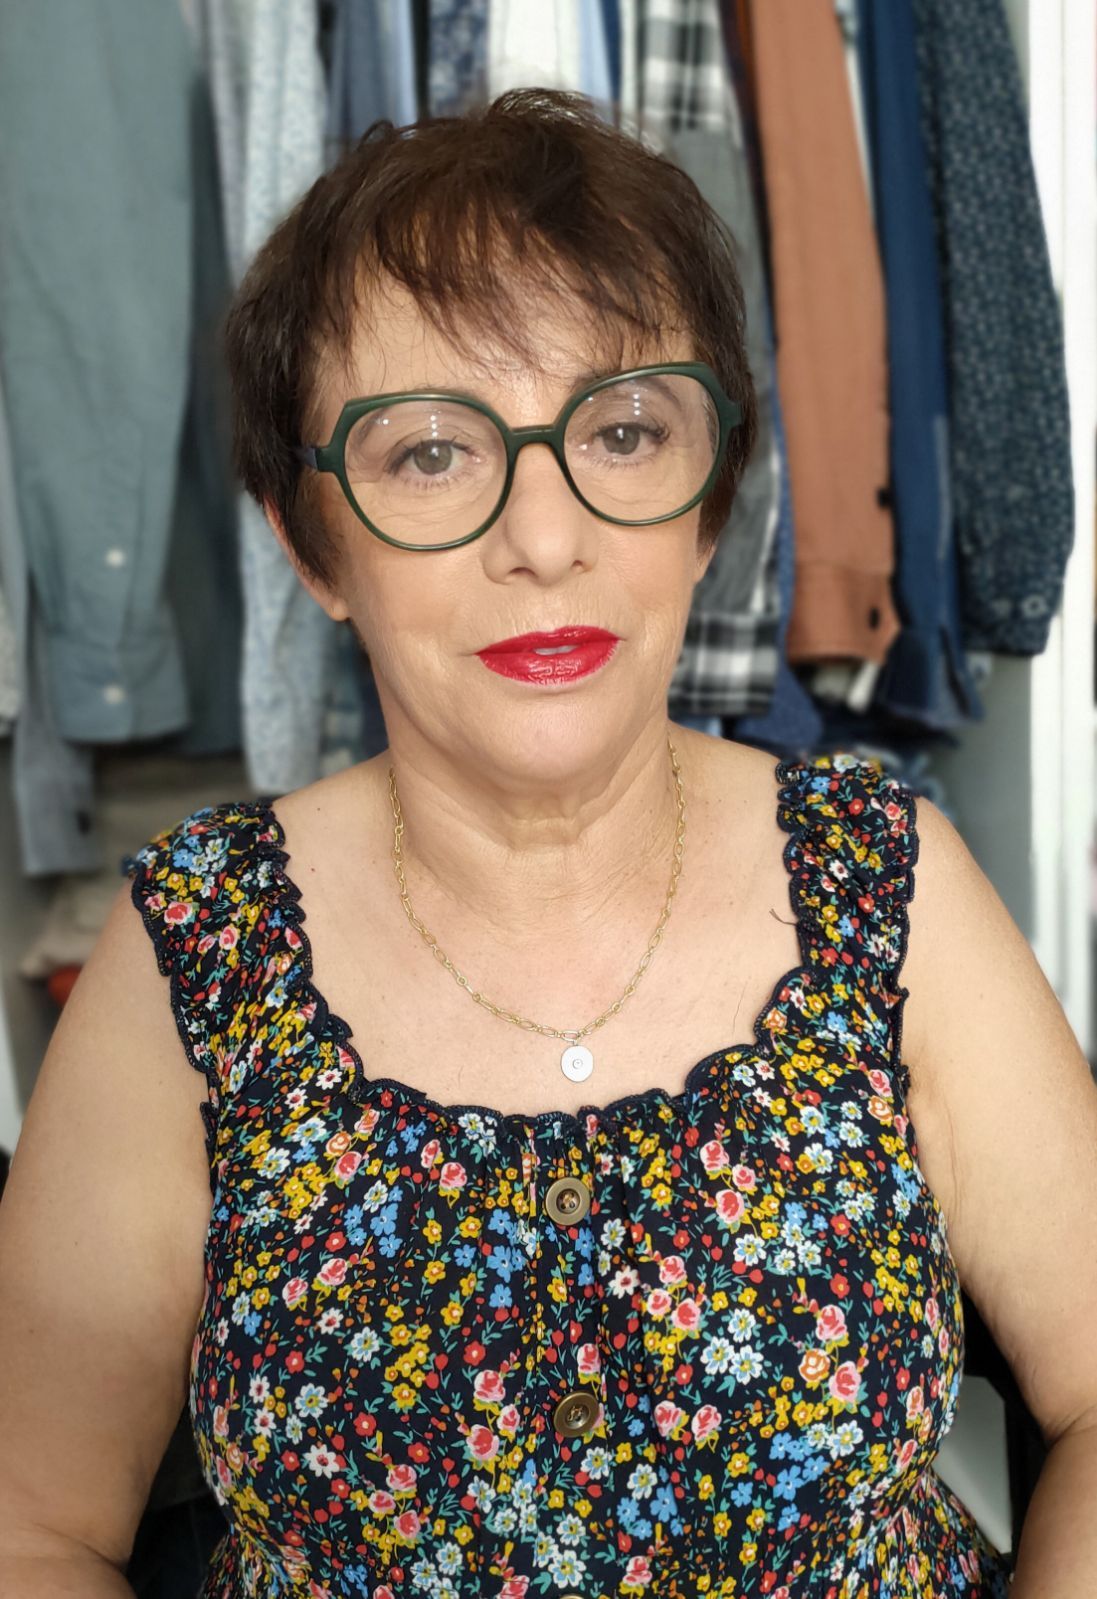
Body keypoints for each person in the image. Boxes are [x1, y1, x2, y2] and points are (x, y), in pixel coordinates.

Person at [1, 87, 1095, 1599]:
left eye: (622, 432)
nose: (543, 537)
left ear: (707, 504)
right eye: (431, 454)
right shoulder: (198, 943)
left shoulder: (883, 880)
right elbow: (33, 1524)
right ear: (310, 543)